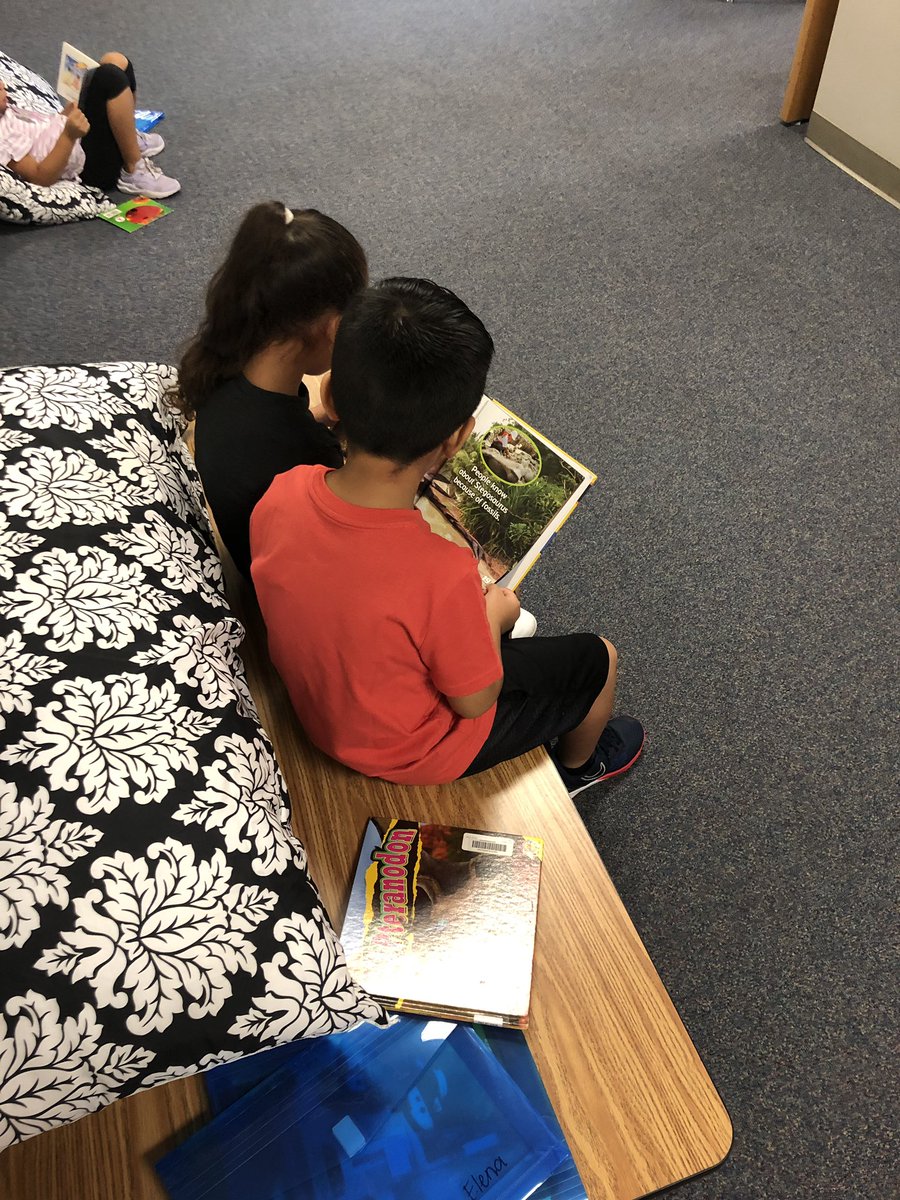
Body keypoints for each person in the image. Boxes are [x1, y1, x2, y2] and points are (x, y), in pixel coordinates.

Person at [249, 277, 645, 795]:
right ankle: (581, 768)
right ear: (459, 436)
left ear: (329, 395)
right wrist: (493, 616)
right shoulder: (441, 574)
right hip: (412, 750)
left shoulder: (282, 492)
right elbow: (475, 701)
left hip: (322, 709)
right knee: (599, 657)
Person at [168, 201, 369, 578]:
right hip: (283, 579)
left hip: (252, 538)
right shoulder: (308, 452)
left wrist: (317, 416)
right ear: (334, 327)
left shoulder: (221, 363)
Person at [0, 52, 179, 199]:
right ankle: (133, 170)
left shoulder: (6, 110)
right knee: (109, 78)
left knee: (115, 60)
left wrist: (63, 117)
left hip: (77, 137)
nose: (3, 85)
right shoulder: (3, 138)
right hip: (86, 167)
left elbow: (40, 136)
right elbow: (40, 177)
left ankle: (129, 139)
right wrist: (68, 136)